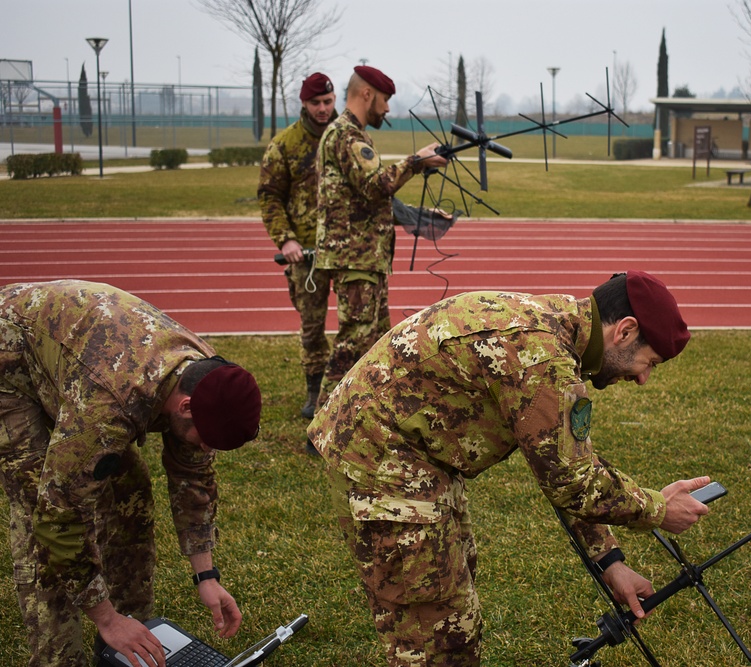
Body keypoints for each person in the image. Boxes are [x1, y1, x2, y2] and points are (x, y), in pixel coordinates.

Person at [308, 271, 714, 666]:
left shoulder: (555, 332)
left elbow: (567, 462)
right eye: (650, 362)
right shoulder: (543, 357)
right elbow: (572, 482)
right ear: (624, 331)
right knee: (436, 639)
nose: (643, 378)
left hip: (413, 458)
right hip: (382, 463)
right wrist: (658, 509)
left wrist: (611, 562)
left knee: (452, 607)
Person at [0, 280, 262, 667]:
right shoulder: (112, 403)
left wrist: (206, 576)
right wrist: (105, 619)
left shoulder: (205, 377)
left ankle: (134, 634)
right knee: (39, 508)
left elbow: (193, 478)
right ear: (186, 406)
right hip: (10, 357)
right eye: (207, 440)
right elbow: (58, 514)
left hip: (75, 358)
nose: (207, 450)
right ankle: (63, 656)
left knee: (129, 490)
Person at [313, 64, 448, 409]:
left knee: (372, 339)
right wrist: (417, 161)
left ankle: (365, 412)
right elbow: (376, 186)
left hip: (365, 257)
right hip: (354, 257)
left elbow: (369, 197)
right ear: (367, 94)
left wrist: (422, 216)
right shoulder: (346, 136)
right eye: (385, 100)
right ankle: (324, 424)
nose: (387, 109)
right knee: (353, 342)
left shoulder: (351, 135)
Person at [259, 72, 338, 420]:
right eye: (316, 103)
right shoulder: (286, 144)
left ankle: (351, 386)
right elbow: (270, 196)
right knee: (312, 326)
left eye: (328, 102)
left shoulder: (347, 138)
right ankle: (314, 389)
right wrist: (286, 239)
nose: (323, 109)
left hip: (347, 246)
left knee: (358, 325)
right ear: (304, 104)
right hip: (305, 253)